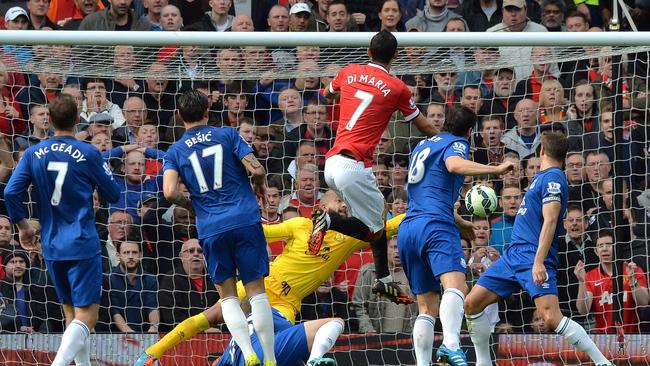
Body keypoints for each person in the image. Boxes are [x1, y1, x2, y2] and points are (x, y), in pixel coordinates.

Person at [134, 190, 403, 366]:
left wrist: (426, 211)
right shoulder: (300, 225)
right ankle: (152, 353)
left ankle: (312, 360)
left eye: (348, 202)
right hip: (261, 285)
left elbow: (389, 227)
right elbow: (259, 232)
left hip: (287, 302)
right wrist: (223, 220)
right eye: (339, 200)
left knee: (279, 350)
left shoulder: (350, 240)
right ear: (322, 204)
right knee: (213, 314)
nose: (344, 205)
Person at [464, 132, 613, 366]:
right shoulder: (541, 178)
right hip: (513, 255)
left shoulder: (552, 178)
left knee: (551, 317)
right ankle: (483, 363)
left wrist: (538, 261)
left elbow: (551, 220)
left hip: (532, 256)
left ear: (541, 150)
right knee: (472, 303)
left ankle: (603, 362)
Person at [150, 89, 276, 366]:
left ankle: (248, 352)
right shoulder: (228, 135)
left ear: (180, 116)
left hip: (211, 226)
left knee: (228, 297)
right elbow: (257, 170)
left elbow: (169, 192)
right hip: (245, 218)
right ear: (208, 112)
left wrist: (194, 207)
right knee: (257, 292)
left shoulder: (174, 151)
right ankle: (269, 357)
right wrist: (258, 187)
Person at [311, 30, 437, 304]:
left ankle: (383, 281)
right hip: (354, 166)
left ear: (368, 52)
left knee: (375, 223)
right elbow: (424, 125)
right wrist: (446, 141)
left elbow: (326, 93)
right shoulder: (397, 88)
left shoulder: (348, 71)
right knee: (376, 226)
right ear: (395, 56)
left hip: (331, 163)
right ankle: (329, 221)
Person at [4, 94, 121, 366]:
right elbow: (114, 194)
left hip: (52, 244)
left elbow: (11, 192)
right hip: (82, 241)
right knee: (88, 316)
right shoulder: (89, 152)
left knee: (71, 314)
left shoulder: (34, 153)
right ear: (77, 120)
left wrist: (23, 227)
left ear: (51, 121)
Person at [397, 105, 514, 366]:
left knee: (426, 307)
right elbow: (454, 165)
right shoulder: (457, 144)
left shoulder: (422, 145)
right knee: (457, 286)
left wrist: (460, 223)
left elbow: (430, 191)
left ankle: (423, 363)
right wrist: (494, 170)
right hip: (435, 226)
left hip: (410, 228)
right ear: (470, 132)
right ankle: (451, 344)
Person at [575, 230, 649, 333]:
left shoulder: (633, 270)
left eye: (609, 245)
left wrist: (633, 281)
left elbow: (643, 304)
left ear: (617, 247)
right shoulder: (590, 276)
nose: (605, 249)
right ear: (596, 251)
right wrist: (581, 282)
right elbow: (583, 311)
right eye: (600, 246)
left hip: (632, 337)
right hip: (602, 339)